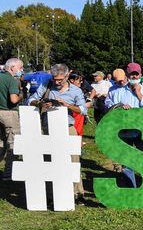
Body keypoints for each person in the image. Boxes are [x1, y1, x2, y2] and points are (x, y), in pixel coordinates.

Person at [29, 64, 88, 205]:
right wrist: (41, 103)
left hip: (68, 127)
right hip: (49, 127)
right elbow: (30, 100)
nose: (57, 82)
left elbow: (83, 110)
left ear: (67, 76)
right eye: (55, 79)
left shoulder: (76, 90)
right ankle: (51, 194)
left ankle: (77, 193)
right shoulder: (46, 85)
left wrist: (67, 105)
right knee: (50, 161)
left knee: (73, 160)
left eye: (60, 79)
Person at [104, 64, 143, 187]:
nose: (134, 76)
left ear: (140, 75)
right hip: (123, 131)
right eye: (131, 74)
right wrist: (119, 106)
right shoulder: (115, 90)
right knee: (126, 161)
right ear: (127, 75)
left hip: (141, 131)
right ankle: (130, 187)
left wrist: (139, 94)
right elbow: (107, 106)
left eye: (136, 74)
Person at [0, 58, 24, 179]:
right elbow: (13, 99)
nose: (21, 70)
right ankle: (9, 173)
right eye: (20, 67)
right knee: (13, 144)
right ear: (12, 67)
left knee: (1, 143)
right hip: (9, 113)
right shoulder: (11, 80)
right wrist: (21, 96)